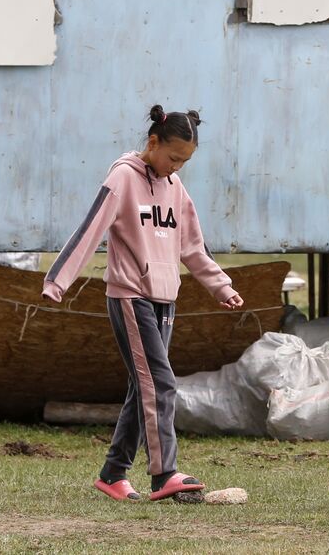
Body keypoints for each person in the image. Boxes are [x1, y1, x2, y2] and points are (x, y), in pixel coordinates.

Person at [43, 105, 243, 503]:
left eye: (185, 162)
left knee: (145, 388)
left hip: (166, 299)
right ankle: (164, 473)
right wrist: (57, 280)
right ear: (153, 142)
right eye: (173, 158)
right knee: (161, 383)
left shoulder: (175, 187)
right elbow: (91, 229)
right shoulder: (122, 177)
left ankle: (113, 474)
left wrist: (221, 286)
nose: (176, 168)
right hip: (131, 295)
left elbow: (192, 246)